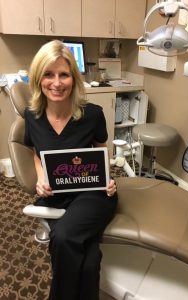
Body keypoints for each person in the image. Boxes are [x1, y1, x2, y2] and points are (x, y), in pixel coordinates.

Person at [24, 40, 118, 300]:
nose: (57, 82)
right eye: (48, 74)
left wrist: (108, 178)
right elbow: (35, 152)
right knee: (89, 261)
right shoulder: (32, 116)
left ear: (74, 78)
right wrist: (41, 176)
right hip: (56, 194)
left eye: (64, 74)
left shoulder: (92, 114)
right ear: (38, 78)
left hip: (93, 193)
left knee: (64, 237)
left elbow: (101, 150)